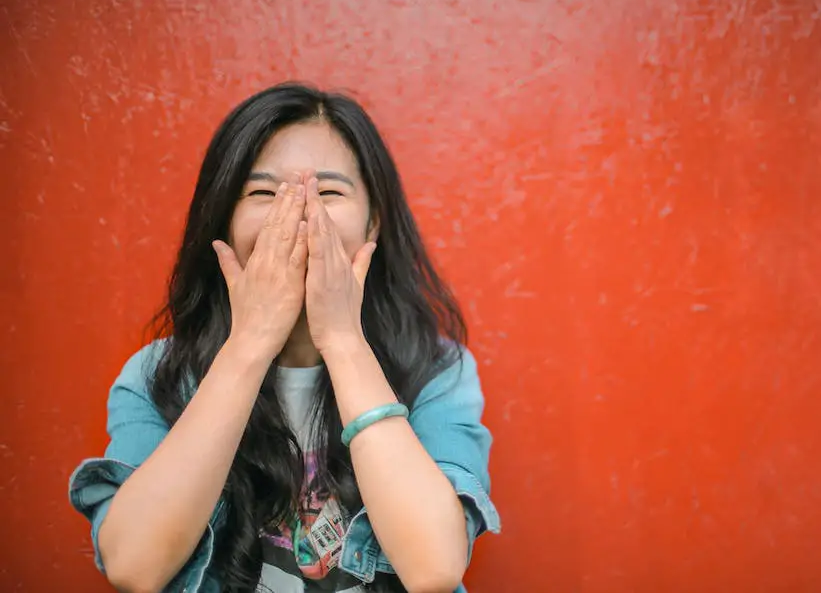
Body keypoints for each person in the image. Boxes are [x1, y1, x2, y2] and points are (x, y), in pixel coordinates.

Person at [68, 83, 500, 593]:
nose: (297, 214)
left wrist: (342, 338)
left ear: (373, 222)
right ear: (224, 220)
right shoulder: (156, 376)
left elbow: (434, 568)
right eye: (264, 193)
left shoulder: (437, 372)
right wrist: (250, 343)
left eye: (330, 192)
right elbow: (134, 566)